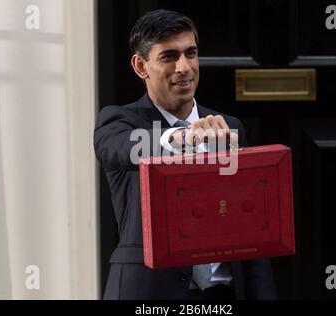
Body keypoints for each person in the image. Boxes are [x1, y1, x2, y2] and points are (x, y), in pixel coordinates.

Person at [94, 9, 276, 300]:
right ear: (141, 66)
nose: (184, 67)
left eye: (190, 53)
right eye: (169, 57)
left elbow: (249, 225)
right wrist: (180, 138)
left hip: (225, 292)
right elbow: (120, 148)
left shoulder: (228, 127)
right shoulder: (119, 121)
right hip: (151, 293)